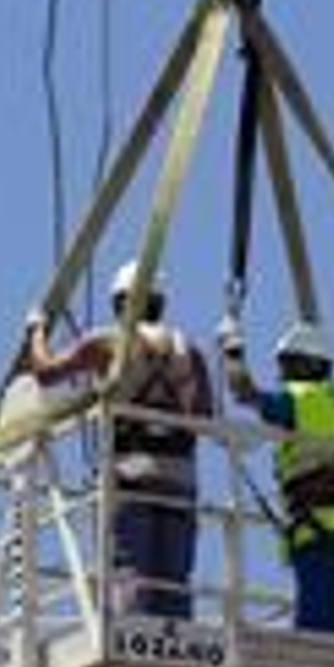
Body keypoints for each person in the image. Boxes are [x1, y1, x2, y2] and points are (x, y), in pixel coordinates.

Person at [25, 261, 214, 620]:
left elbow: (45, 371)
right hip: (179, 480)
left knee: (129, 575)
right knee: (173, 579)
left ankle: (131, 635)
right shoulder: (189, 350)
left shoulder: (108, 341)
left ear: (118, 303)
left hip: (130, 478)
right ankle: (176, 643)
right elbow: (203, 416)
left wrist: (36, 329)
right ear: (160, 303)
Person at [219, 317, 334, 634]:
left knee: (317, 621)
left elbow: (245, 393)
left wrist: (231, 352)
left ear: (305, 364)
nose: (281, 375)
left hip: (315, 530)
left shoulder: (299, 399)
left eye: (285, 365)